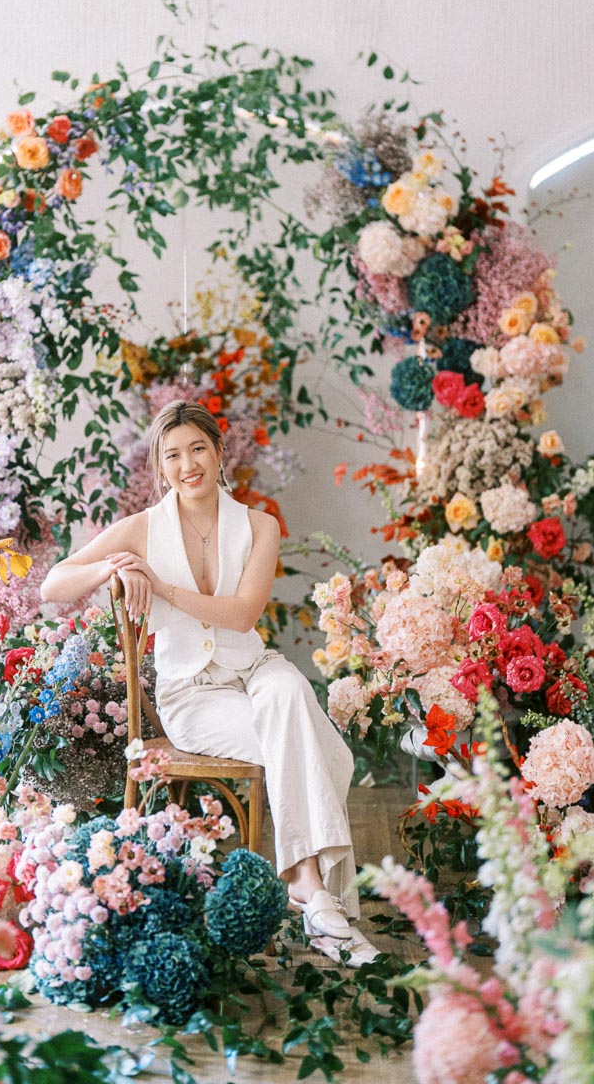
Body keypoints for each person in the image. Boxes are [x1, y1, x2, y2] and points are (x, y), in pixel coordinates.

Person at [40, 399, 378, 965]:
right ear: (159, 465)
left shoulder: (260, 526)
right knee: (311, 744)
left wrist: (163, 587)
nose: (187, 464)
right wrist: (114, 567)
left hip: (253, 670)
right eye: (172, 455)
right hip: (192, 695)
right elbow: (54, 583)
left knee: (291, 691)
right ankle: (313, 889)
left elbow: (243, 614)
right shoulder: (144, 529)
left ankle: (304, 881)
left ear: (220, 453)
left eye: (198, 448)